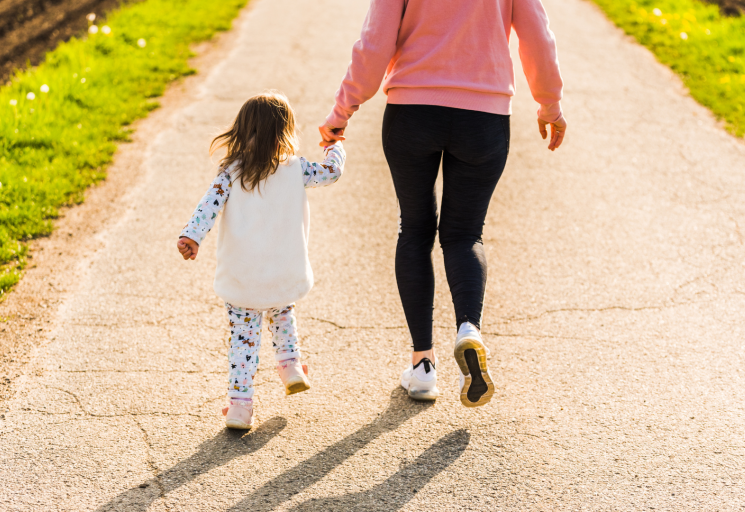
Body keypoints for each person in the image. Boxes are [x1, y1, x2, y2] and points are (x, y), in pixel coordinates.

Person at [319, 0, 567, 407]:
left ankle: (422, 368)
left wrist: (342, 110)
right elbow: (537, 35)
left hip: (412, 112)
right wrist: (550, 103)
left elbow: (375, 42)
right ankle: (469, 328)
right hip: (484, 119)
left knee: (415, 229)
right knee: (464, 232)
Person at [178, 91, 346, 429]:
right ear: (285, 132)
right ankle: (291, 366)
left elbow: (207, 207)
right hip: (283, 271)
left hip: (242, 276)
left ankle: (240, 407)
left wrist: (191, 237)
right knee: (283, 315)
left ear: (242, 131)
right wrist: (335, 145)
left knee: (244, 337)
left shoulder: (230, 173)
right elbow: (331, 171)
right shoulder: (297, 169)